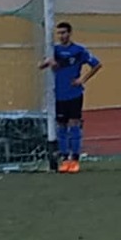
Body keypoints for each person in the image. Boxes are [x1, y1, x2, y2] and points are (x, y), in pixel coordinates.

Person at [39, 22, 102, 173]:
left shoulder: (78, 50)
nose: (61, 36)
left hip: (74, 93)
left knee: (74, 124)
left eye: (64, 33)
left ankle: (75, 160)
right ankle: (65, 159)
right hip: (59, 94)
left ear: (70, 33)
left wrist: (82, 79)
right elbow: (40, 65)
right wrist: (47, 62)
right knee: (61, 126)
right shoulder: (54, 50)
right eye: (59, 33)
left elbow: (97, 64)